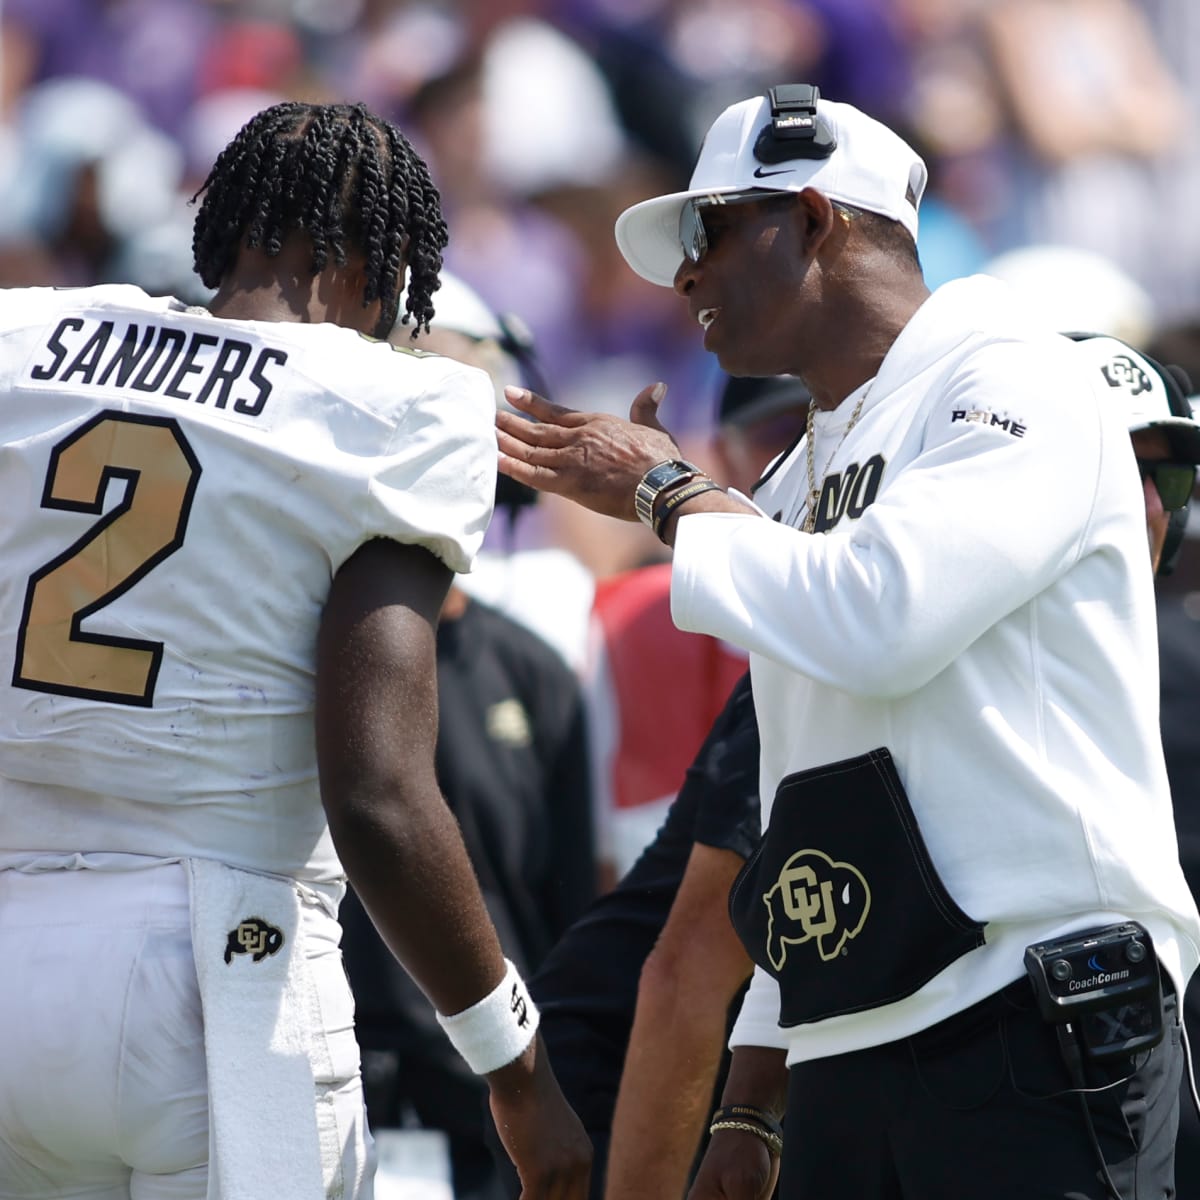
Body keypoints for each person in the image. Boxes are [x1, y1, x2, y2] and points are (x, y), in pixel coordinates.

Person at [494, 82, 1200, 1199]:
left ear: (816, 218)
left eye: (708, 229)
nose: (685, 275)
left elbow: (883, 620)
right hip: (850, 1042)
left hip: (1037, 1010)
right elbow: (806, 796)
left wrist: (664, 489)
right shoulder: (798, 469)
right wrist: (756, 1089)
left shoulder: (1015, 377)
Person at [0, 100, 591, 1200]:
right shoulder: (394, 407)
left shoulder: (27, 340)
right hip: (221, 970)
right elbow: (377, 793)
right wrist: (516, 1062)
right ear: (368, 260)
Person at [339, 271, 597, 1200]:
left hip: (497, 1110)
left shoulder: (536, 670)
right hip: (324, 1091)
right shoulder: (288, 643)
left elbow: (567, 916)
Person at [586, 375, 807, 888]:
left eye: (815, 430)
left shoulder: (883, 596)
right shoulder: (626, 619)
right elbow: (595, 851)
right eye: (778, 431)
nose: (802, 454)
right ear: (723, 457)